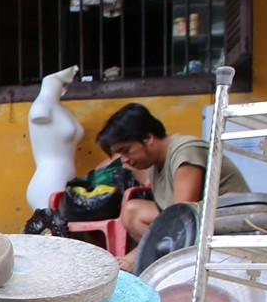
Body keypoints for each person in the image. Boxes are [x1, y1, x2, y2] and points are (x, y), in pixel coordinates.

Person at [97, 102, 248, 250]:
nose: (124, 160)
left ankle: (169, 262)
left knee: (174, 223)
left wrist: (130, 260)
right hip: (195, 220)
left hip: (234, 219)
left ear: (148, 138)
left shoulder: (185, 151)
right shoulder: (154, 165)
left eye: (126, 150)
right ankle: (162, 259)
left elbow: (181, 217)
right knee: (133, 212)